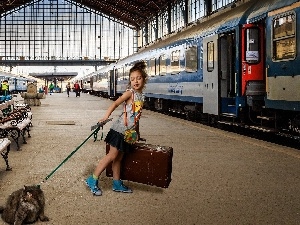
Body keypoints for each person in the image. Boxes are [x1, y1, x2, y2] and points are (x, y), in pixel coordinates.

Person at [85, 61, 148, 196]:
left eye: (138, 78)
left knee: (118, 158)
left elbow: (136, 118)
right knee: (112, 155)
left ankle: (117, 183)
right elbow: (115, 103)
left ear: (144, 79)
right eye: (132, 79)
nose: (135, 81)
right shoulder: (129, 93)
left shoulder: (141, 96)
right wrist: (105, 116)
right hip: (119, 130)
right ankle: (92, 179)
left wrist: (137, 133)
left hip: (128, 134)